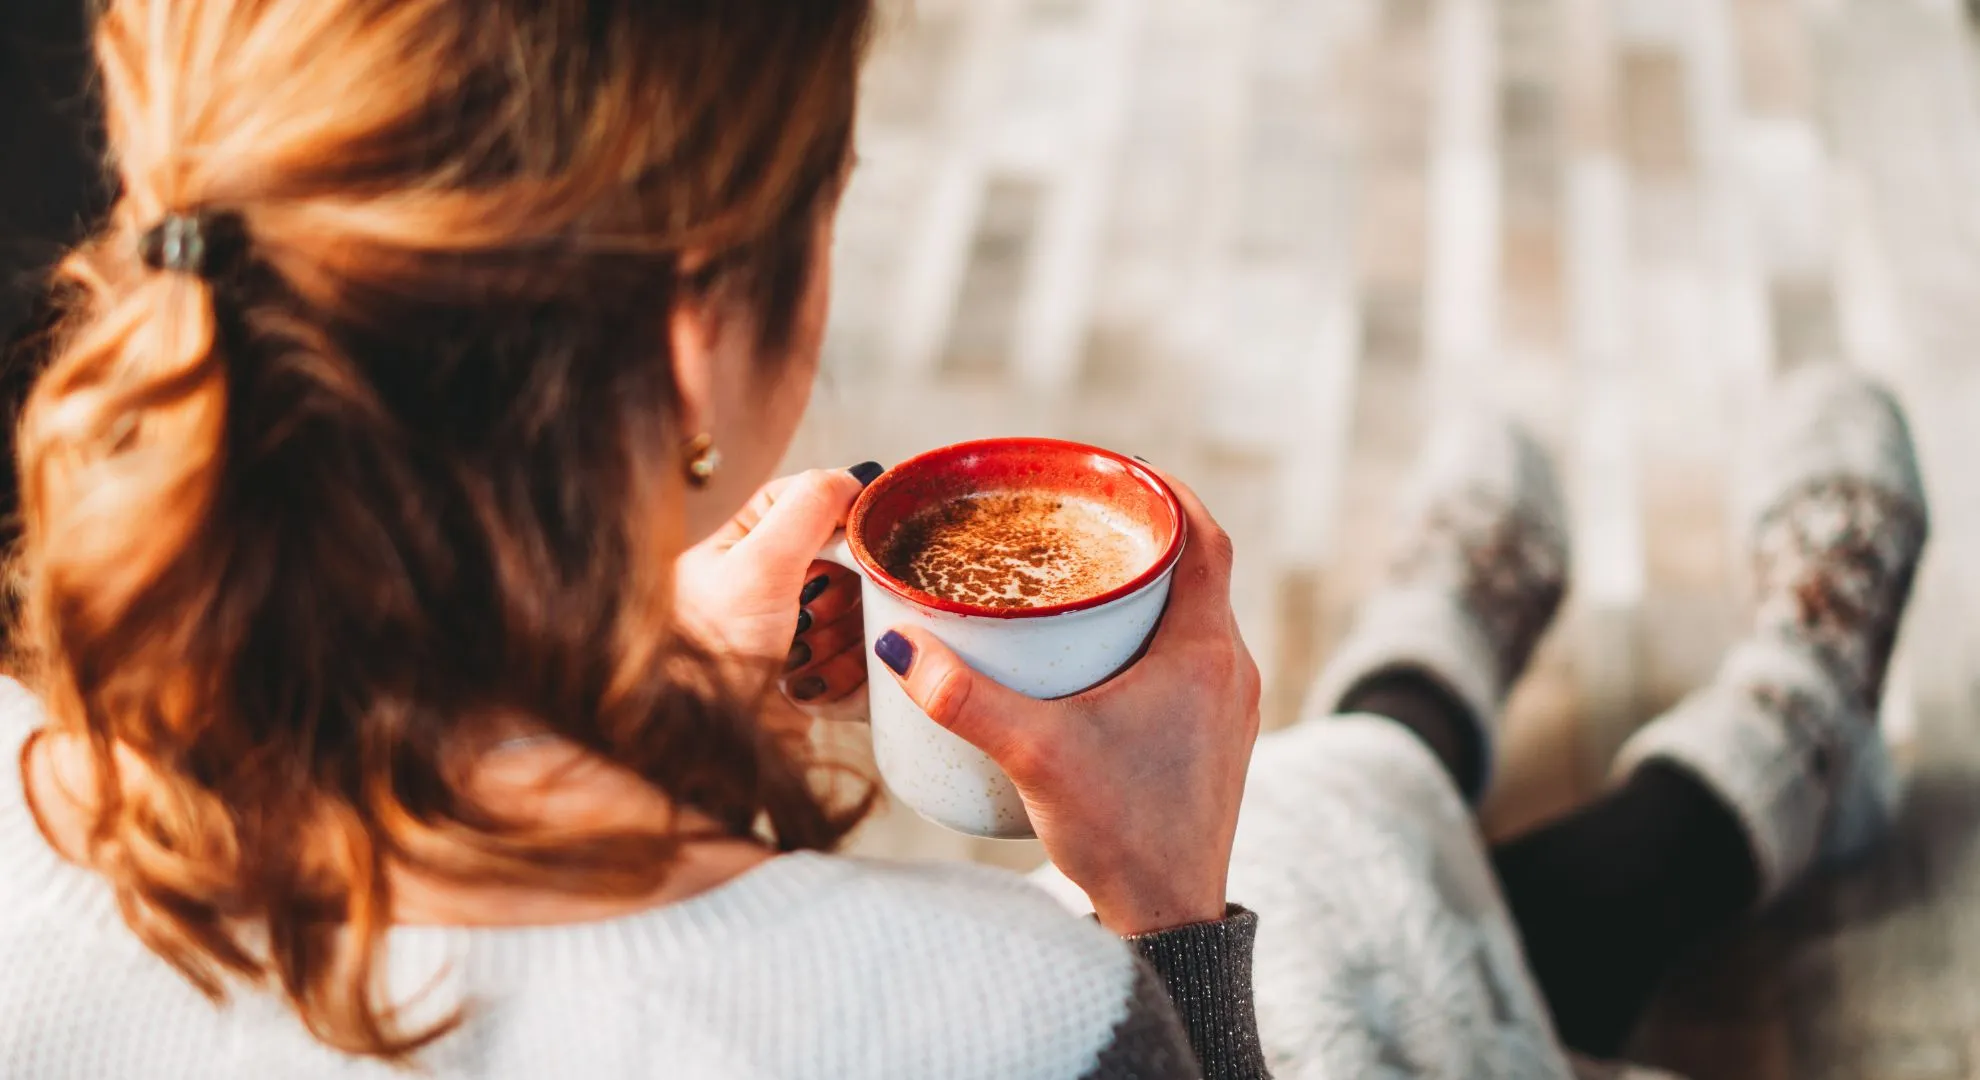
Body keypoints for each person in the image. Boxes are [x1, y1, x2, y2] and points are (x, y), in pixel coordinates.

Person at [0, 6, 1930, 1080]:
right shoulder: (1007, 1026)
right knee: (1316, 861)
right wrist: (1171, 918)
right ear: (701, 320)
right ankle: (1710, 772)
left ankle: (1547, 721)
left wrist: (645, 687)